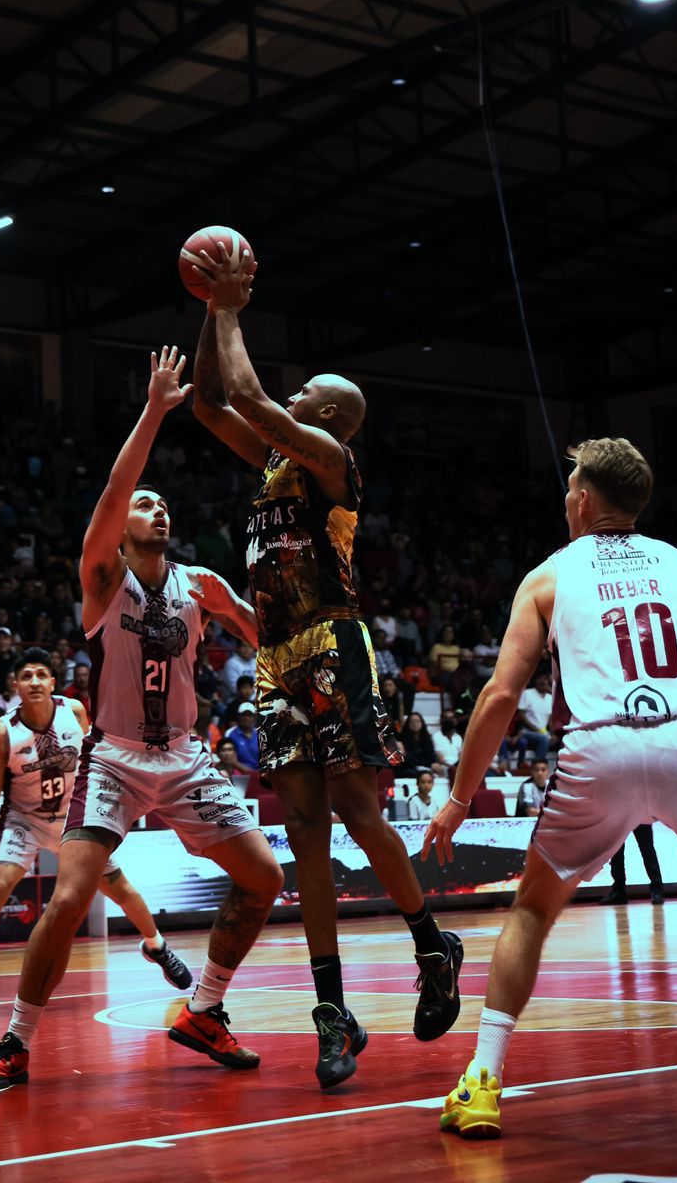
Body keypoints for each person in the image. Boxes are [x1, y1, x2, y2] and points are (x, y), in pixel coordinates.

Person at [425, 437, 677, 1141]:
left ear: (583, 499)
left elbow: (500, 696)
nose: (565, 500)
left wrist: (460, 798)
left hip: (601, 746)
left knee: (531, 912)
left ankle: (483, 1084)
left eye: (568, 490)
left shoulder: (548, 576)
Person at [0, 347, 282, 1093]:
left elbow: (262, 637)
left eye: (164, 504)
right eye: (147, 504)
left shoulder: (199, 584)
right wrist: (155, 409)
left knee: (264, 879)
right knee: (71, 895)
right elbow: (114, 489)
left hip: (184, 756)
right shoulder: (103, 578)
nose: (157, 508)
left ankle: (204, 1009)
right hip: (110, 760)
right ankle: (16, 1040)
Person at [191, 255, 461, 1091]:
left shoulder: (330, 459)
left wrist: (233, 308)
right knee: (304, 831)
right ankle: (333, 1012)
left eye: (306, 388)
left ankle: (429, 940)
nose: (294, 392)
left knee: (352, 804)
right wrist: (210, 306)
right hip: (274, 658)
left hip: (331, 643)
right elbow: (209, 403)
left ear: (331, 413)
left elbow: (250, 402)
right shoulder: (277, 463)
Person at [0, 647, 191, 1020]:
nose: (35, 682)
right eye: (27, 676)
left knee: (122, 890)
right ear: (15, 686)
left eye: (42, 675)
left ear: (53, 681)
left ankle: (156, 946)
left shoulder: (74, 711)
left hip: (75, 818)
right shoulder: (2, 734)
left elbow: (98, 758)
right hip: (25, 819)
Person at [603, 824, 665, 905]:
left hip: (638, 814)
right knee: (617, 850)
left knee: (646, 848)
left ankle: (657, 890)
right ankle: (619, 891)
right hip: (622, 813)